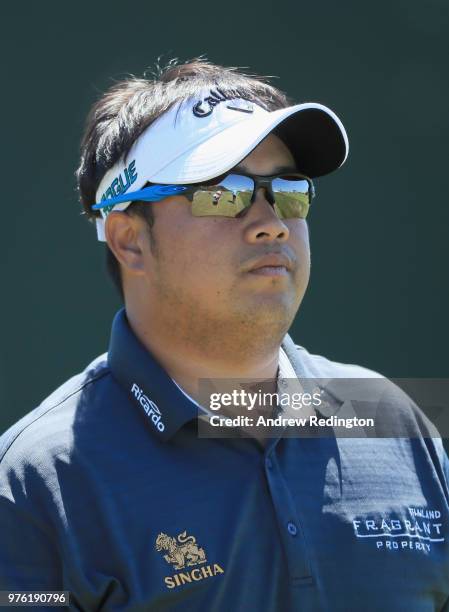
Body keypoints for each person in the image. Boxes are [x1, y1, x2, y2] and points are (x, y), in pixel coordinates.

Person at [0, 58, 448, 611]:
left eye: (289, 191)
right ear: (128, 239)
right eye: (223, 193)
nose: (272, 221)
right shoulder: (37, 478)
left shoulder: (392, 418)